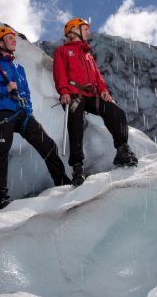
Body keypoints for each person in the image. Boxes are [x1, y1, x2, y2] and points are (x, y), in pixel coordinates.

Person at [0, 25, 71, 210]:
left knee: (48, 145)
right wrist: (4, 89)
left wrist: (28, 110)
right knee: (1, 152)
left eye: (14, 38)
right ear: (0, 43)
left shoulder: (19, 68)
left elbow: (25, 92)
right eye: (10, 38)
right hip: (3, 112)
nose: (14, 40)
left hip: (22, 114)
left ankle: (62, 183)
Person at [52, 17, 138, 186]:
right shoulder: (62, 51)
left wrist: (103, 90)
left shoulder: (87, 55)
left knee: (116, 112)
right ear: (74, 30)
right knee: (76, 126)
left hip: (91, 95)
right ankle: (77, 168)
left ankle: (122, 150)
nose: (88, 32)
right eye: (85, 29)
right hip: (73, 95)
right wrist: (63, 92)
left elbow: (97, 77)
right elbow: (59, 73)